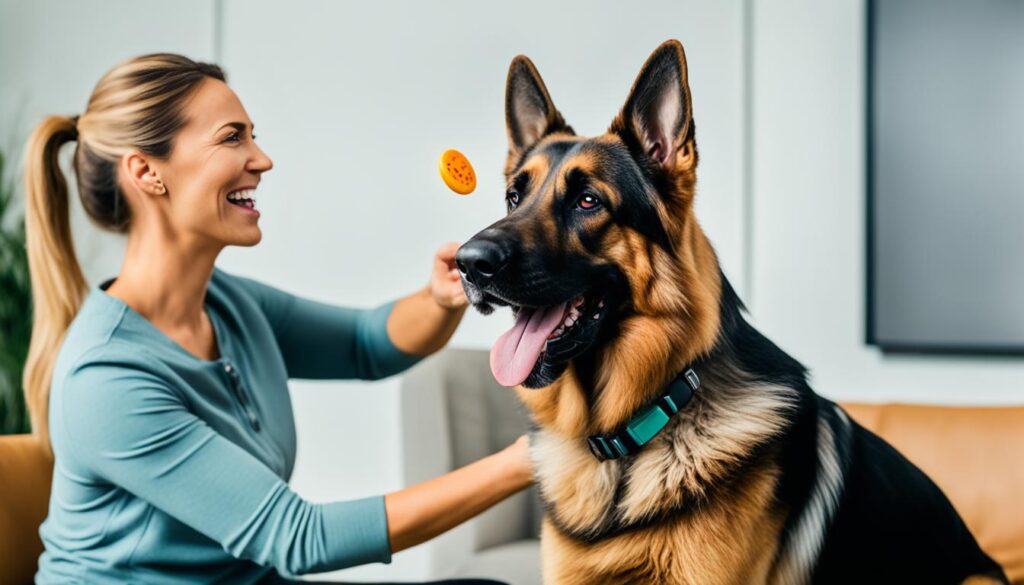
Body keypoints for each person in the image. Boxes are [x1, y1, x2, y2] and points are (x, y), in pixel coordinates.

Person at [22, 53, 531, 584]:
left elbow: (364, 344)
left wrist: (438, 299)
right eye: (232, 138)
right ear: (147, 172)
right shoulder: (106, 377)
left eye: (252, 136)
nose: (262, 159)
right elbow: (300, 538)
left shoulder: (226, 305)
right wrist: (526, 461)